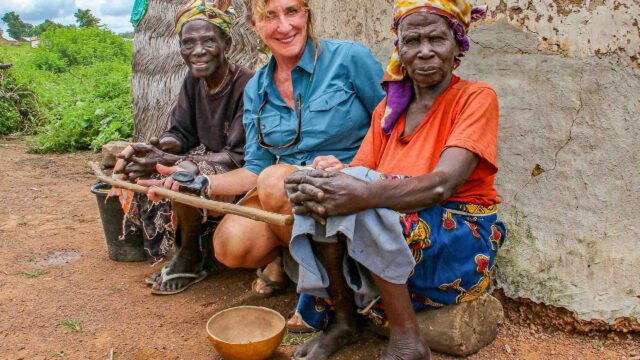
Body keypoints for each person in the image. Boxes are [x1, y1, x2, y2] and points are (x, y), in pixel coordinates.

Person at [283, 0, 506, 358]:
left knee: (367, 199)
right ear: (398, 49)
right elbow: (358, 174)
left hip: (457, 240)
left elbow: (441, 186)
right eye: (412, 41)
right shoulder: (387, 110)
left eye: (437, 39)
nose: (425, 52)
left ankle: (407, 338)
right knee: (322, 194)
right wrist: (315, 181)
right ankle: (344, 321)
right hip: (396, 233)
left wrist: (362, 190)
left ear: (457, 44)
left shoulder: (475, 98)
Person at [143, 0, 385, 303]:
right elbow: (254, 167)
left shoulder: (349, 58)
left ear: (307, 14)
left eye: (292, 12)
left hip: (350, 181)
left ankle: (324, 297)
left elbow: (391, 125)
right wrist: (199, 184)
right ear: (256, 27)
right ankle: (293, 263)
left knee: (274, 181)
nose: (284, 27)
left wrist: (355, 164)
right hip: (291, 193)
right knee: (231, 245)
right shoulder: (257, 87)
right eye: (269, 16)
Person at [114, 0, 254, 294]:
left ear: (226, 43)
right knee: (147, 163)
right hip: (213, 164)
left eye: (208, 41)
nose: (198, 51)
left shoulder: (247, 85)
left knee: (185, 172)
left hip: (244, 176)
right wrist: (153, 148)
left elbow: (238, 156)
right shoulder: (194, 81)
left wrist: (173, 161)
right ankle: (172, 247)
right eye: (188, 43)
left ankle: (189, 256)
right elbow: (181, 133)